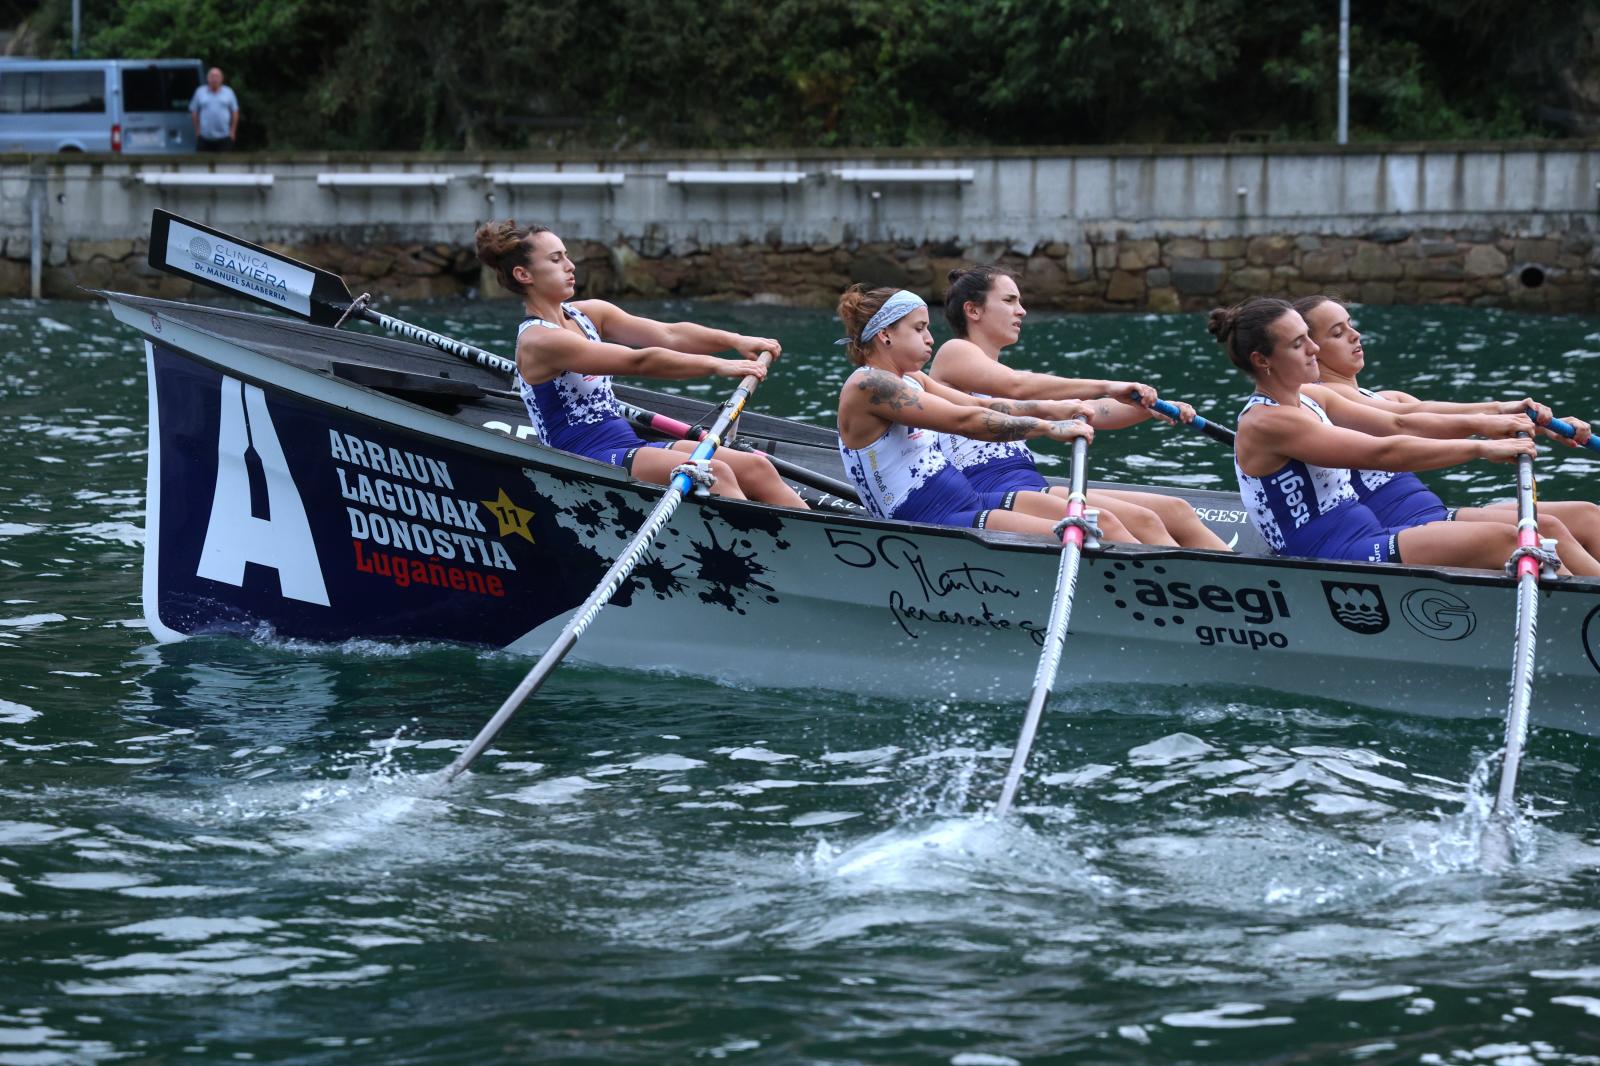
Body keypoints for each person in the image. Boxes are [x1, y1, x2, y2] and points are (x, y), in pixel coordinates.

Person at [474, 219, 806, 508]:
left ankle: (819, 541)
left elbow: (669, 334)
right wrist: (719, 366)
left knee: (755, 467)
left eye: (567, 256)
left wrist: (736, 340)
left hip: (626, 443)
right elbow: (640, 360)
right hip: (584, 459)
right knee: (717, 472)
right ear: (524, 274)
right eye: (556, 259)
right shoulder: (539, 341)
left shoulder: (588, 314)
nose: (570, 266)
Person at [1211, 298, 1556, 572]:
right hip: (1327, 554)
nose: (1314, 349)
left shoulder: (1311, 397)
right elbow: (1383, 453)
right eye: (1299, 343)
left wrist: (1496, 418)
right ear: (1262, 360)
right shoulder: (1266, 422)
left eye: (1309, 338)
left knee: (1534, 535)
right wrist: (1480, 449)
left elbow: (1399, 422)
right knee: (1505, 540)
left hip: (1368, 532)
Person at [928, 266, 1230, 550]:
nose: (1022, 310)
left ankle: (1238, 577)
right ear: (973, 310)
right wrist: (1107, 385)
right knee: (1142, 520)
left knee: (1176, 510)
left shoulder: (1004, 375)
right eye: (1009, 300)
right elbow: (1017, 385)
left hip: (1028, 483)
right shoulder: (955, 352)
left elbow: (1091, 410)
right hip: (987, 488)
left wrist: (1149, 408)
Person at [1292, 295, 1600, 573]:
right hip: (1402, 528)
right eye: (1338, 333)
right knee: (1547, 528)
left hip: (1436, 512)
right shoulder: (1320, 399)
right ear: (1312, 349)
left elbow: (1436, 416)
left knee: (1586, 515)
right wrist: (1497, 418)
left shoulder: (1385, 397)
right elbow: (1404, 421)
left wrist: (1543, 425)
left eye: (1350, 324)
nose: (1355, 334)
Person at [835, 285, 1115, 538]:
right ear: (885, 334)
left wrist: (1052, 409)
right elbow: (965, 421)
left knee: (1103, 523)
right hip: (930, 523)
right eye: (919, 329)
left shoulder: (912, 378)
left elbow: (979, 405)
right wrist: (1048, 428)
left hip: (969, 501)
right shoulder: (869, 384)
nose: (930, 339)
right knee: (1084, 535)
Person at [189, 67, 240, 152]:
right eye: (212, 76)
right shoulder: (200, 92)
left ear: (222, 78)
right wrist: (197, 131)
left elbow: (235, 112)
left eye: (217, 76)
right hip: (204, 138)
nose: (214, 79)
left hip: (225, 137)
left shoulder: (229, 92)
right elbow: (194, 112)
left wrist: (232, 131)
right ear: (208, 78)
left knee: (225, 161)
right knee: (202, 160)